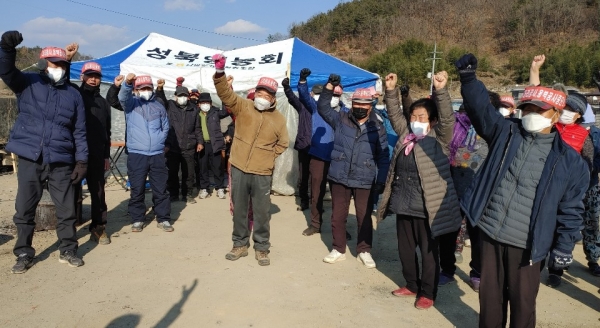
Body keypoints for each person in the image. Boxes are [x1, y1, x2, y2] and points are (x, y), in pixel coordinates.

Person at [456, 53, 588, 327]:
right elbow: (481, 110)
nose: (529, 114)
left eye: (537, 110)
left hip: (528, 246)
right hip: (491, 234)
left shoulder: (569, 161)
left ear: (555, 115)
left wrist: (564, 247)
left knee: (523, 306)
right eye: (526, 108)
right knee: (489, 304)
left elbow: (571, 209)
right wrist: (469, 79)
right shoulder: (506, 133)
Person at [0, 31, 88, 273]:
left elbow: (79, 131)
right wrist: (7, 48)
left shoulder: (73, 95)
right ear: (43, 64)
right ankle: (24, 253)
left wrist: (82, 161)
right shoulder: (28, 83)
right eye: (53, 63)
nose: (57, 67)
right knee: (25, 208)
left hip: (61, 158)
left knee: (67, 208)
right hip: (31, 155)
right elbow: (6, 71)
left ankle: (68, 249)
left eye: (61, 64)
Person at [377, 71, 461, 309]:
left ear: (432, 121)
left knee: (427, 253)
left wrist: (441, 91)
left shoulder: (439, 139)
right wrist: (391, 91)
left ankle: (427, 292)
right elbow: (394, 113)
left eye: (422, 117)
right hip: (404, 204)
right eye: (413, 116)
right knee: (405, 251)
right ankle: (411, 284)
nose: (416, 120)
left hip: (428, 209)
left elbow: (448, 119)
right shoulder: (406, 135)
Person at [212, 54, 289, 266]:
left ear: (274, 98)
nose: (263, 97)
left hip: (262, 172)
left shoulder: (279, 120)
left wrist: (267, 157)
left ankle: (262, 248)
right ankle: (239, 244)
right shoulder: (244, 106)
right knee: (239, 209)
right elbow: (225, 94)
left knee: (262, 212)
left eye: (268, 94)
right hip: (238, 167)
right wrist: (220, 73)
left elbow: (283, 143)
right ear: (255, 93)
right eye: (261, 92)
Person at [317, 74, 389, 270]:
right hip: (339, 175)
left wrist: (381, 179)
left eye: (364, 104)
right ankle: (338, 249)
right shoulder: (340, 119)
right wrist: (329, 87)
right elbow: (322, 107)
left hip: (364, 178)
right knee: (337, 216)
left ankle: (364, 250)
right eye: (356, 103)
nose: (359, 107)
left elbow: (383, 156)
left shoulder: (378, 127)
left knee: (363, 216)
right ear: (352, 103)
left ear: (371, 105)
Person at [297, 68, 349, 238]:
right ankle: (315, 224)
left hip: (339, 159)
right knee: (317, 192)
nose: (334, 99)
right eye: (332, 94)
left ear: (340, 97)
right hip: (318, 156)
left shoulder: (346, 114)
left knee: (340, 197)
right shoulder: (317, 108)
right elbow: (304, 96)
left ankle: (340, 228)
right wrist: (303, 81)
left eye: (337, 95)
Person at [118, 74, 173, 233]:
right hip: (137, 154)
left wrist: (160, 141)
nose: (146, 91)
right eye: (142, 88)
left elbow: (165, 126)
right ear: (136, 90)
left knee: (160, 188)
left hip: (157, 154)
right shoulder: (130, 105)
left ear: (152, 89)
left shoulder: (159, 106)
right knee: (137, 188)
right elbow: (122, 96)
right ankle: (137, 219)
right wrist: (127, 84)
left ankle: (163, 219)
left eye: (148, 88)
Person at [74, 61, 112, 245]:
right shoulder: (74, 96)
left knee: (98, 193)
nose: (93, 79)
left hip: (97, 155)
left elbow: (108, 131)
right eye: (89, 75)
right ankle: (69, 230)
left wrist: (106, 155)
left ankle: (98, 228)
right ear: (82, 77)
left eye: (96, 76)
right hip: (75, 154)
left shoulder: (103, 103)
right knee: (71, 192)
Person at [164, 85, 203, 204]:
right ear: (175, 96)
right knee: (172, 172)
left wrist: (200, 142)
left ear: (188, 97)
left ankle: (188, 194)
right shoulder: (170, 106)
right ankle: (173, 194)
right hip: (173, 145)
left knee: (189, 173)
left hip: (189, 145)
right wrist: (160, 89)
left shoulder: (194, 109)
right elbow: (160, 98)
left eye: (185, 96)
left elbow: (197, 128)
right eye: (180, 96)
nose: (182, 98)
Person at [281, 76, 311, 211]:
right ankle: (304, 201)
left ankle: (317, 203)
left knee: (318, 178)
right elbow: (293, 99)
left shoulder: (324, 110)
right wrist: (287, 88)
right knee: (303, 176)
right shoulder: (303, 108)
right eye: (314, 94)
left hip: (320, 149)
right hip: (304, 147)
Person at [197, 92, 230, 200]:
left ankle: (220, 188)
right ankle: (204, 188)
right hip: (202, 145)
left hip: (215, 144)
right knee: (203, 167)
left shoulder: (215, 112)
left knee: (217, 167)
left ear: (211, 104)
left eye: (207, 102)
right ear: (199, 104)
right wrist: (199, 142)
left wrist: (227, 91)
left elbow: (226, 111)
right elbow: (196, 129)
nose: (205, 104)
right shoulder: (197, 114)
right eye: (203, 102)